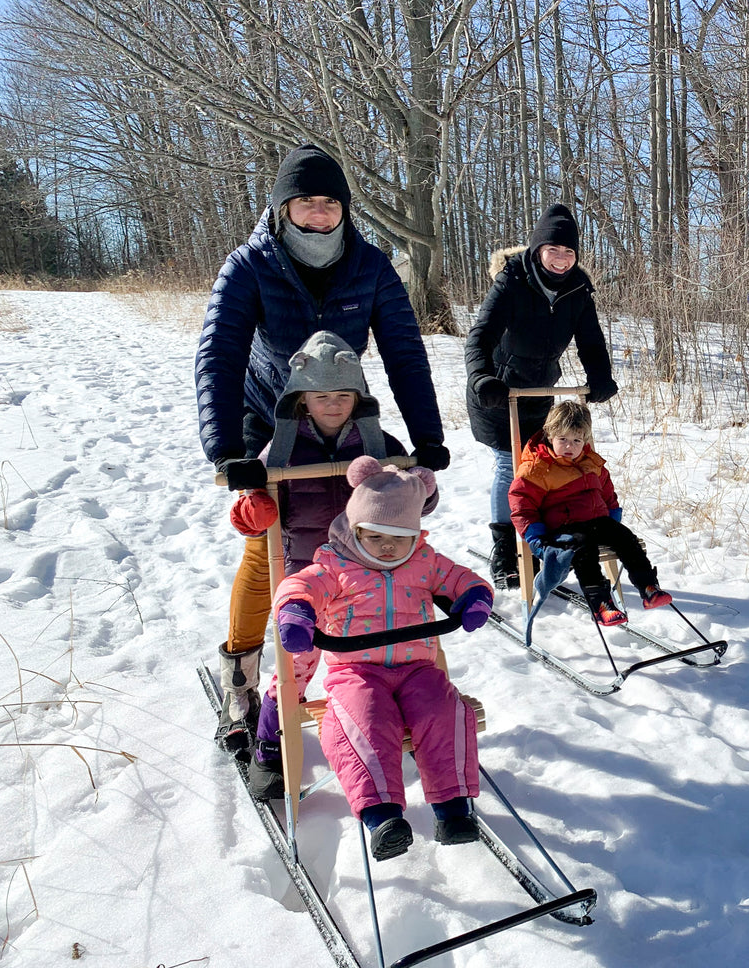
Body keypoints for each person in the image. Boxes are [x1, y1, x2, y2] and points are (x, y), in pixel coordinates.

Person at [195, 143, 450, 755]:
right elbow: (219, 355)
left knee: (357, 537)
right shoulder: (250, 265)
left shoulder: (372, 266)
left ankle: (372, 656)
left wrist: (427, 437)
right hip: (268, 421)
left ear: (344, 209)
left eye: (329, 203)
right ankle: (244, 672)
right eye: (304, 203)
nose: (317, 213)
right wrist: (227, 448)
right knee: (272, 550)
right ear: (283, 209)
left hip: (344, 416)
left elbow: (404, 351)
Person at [224, 330, 430, 798]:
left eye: (342, 395)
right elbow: (248, 509)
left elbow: (409, 499)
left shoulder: (380, 441)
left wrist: (425, 489)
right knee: (297, 660)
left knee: (411, 643)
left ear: (357, 397)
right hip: (309, 571)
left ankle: (419, 716)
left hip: (375, 566)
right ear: (302, 400)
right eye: (321, 396)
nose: (333, 404)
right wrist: (253, 510)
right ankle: (271, 743)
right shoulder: (282, 448)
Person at [271, 457, 493, 861]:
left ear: (415, 535)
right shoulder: (334, 565)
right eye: (375, 536)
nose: (388, 547)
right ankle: (382, 815)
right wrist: (297, 610)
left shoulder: (424, 560)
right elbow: (299, 585)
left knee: (444, 711)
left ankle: (453, 807)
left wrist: (475, 595)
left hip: (417, 669)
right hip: (356, 671)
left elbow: (459, 577)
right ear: (355, 531)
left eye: (399, 537)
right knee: (365, 722)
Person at [464, 202, 618, 590]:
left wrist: (600, 376)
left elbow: (591, 339)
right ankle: (505, 546)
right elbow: (479, 337)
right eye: (554, 250)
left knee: (543, 464)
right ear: (537, 250)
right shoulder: (513, 280)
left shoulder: (579, 288)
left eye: (569, 252)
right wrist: (483, 378)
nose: (562, 259)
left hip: (541, 391)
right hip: (497, 390)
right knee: (510, 463)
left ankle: (538, 537)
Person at [508, 400, 671, 626]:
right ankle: (601, 603)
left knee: (625, 538)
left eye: (576, 440)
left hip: (597, 520)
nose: (569, 446)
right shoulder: (538, 467)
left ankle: (648, 586)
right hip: (563, 528)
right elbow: (522, 504)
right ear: (549, 435)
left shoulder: (589, 461)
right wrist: (535, 536)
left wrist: (613, 514)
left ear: (584, 440)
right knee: (583, 550)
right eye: (562, 439)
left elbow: (606, 488)